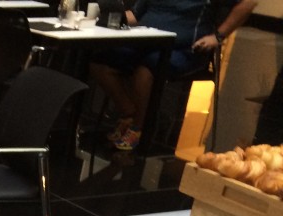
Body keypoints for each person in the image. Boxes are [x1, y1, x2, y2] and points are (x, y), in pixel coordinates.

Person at [89, 0, 257, 151]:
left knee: (146, 68)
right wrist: (97, 19)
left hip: (185, 48)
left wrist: (218, 37)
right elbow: (135, 15)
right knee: (100, 61)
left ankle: (138, 127)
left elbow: (248, 3)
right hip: (144, 42)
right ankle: (129, 113)